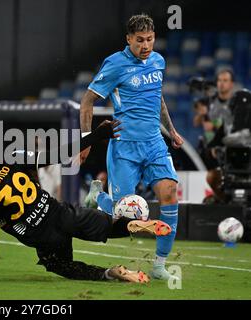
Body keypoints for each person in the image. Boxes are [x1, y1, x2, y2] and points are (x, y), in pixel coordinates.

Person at [0, 121, 172, 283]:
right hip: (61, 212)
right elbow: (58, 155)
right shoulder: (12, 156)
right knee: (108, 225)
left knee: (60, 265)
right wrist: (97, 136)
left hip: (44, 238)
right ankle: (134, 225)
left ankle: (111, 273)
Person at [79, 14, 183, 280]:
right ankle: (98, 198)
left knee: (170, 194)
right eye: (139, 40)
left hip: (154, 144)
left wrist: (171, 130)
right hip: (125, 146)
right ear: (129, 39)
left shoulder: (158, 62)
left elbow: (157, 99)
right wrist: (86, 141)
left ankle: (159, 265)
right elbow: (87, 101)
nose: (145, 45)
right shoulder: (115, 64)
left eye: (149, 39)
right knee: (123, 217)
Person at [193, 69, 235, 203]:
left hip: (228, 149)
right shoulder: (209, 101)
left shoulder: (235, 103)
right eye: (219, 80)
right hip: (210, 150)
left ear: (231, 84)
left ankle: (226, 200)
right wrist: (201, 114)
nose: (221, 84)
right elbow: (196, 122)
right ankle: (221, 200)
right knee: (211, 178)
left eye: (225, 80)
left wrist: (214, 125)